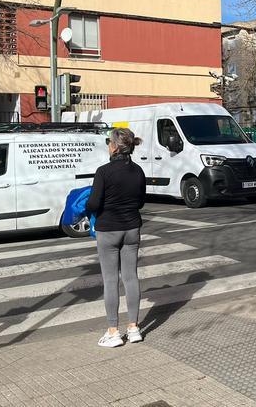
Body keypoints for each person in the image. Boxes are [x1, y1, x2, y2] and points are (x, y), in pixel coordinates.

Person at [86, 128, 147, 347]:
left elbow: (93, 204)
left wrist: (86, 206)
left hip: (108, 230)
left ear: (113, 146)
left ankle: (113, 332)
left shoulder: (103, 171)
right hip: (132, 229)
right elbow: (140, 202)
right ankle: (134, 329)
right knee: (131, 277)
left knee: (110, 280)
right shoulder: (138, 171)